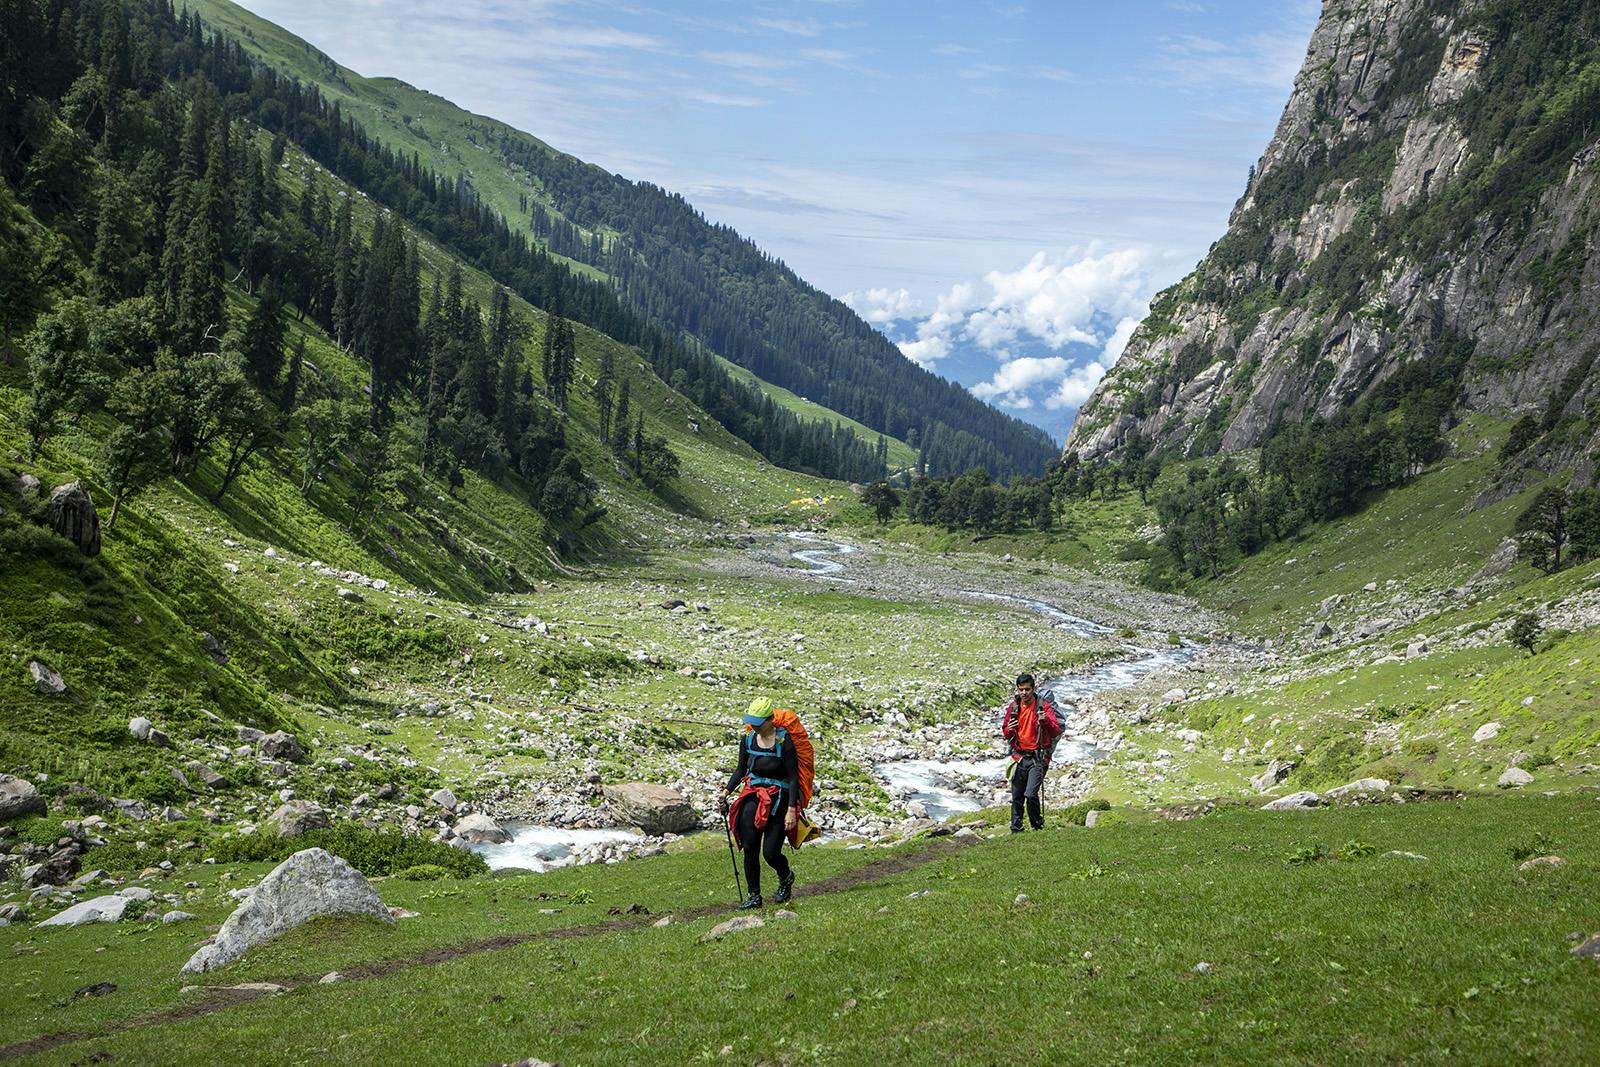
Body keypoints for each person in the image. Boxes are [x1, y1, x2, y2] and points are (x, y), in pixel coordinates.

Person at [719, 699, 800, 909]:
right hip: (753, 795)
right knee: (750, 848)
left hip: (779, 799)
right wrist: (726, 792)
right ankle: (754, 896)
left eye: (758, 722)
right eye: (752, 722)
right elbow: (740, 770)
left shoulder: (784, 741)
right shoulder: (747, 739)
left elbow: (793, 778)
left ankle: (786, 876)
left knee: (770, 853)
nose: (754, 726)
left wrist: (791, 810)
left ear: (770, 720)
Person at [998, 673, 1062, 832]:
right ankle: (1016, 829)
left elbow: (1055, 731)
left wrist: (1045, 720)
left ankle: (1037, 825)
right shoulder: (1014, 707)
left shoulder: (1043, 706)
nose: (1024, 693)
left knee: (1031, 794)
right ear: (1017, 690)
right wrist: (1010, 729)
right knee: (1017, 797)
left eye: (1027, 689)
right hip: (1019, 756)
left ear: (1033, 689)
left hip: (1037, 758)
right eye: (1021, 690)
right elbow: (1006, 733)